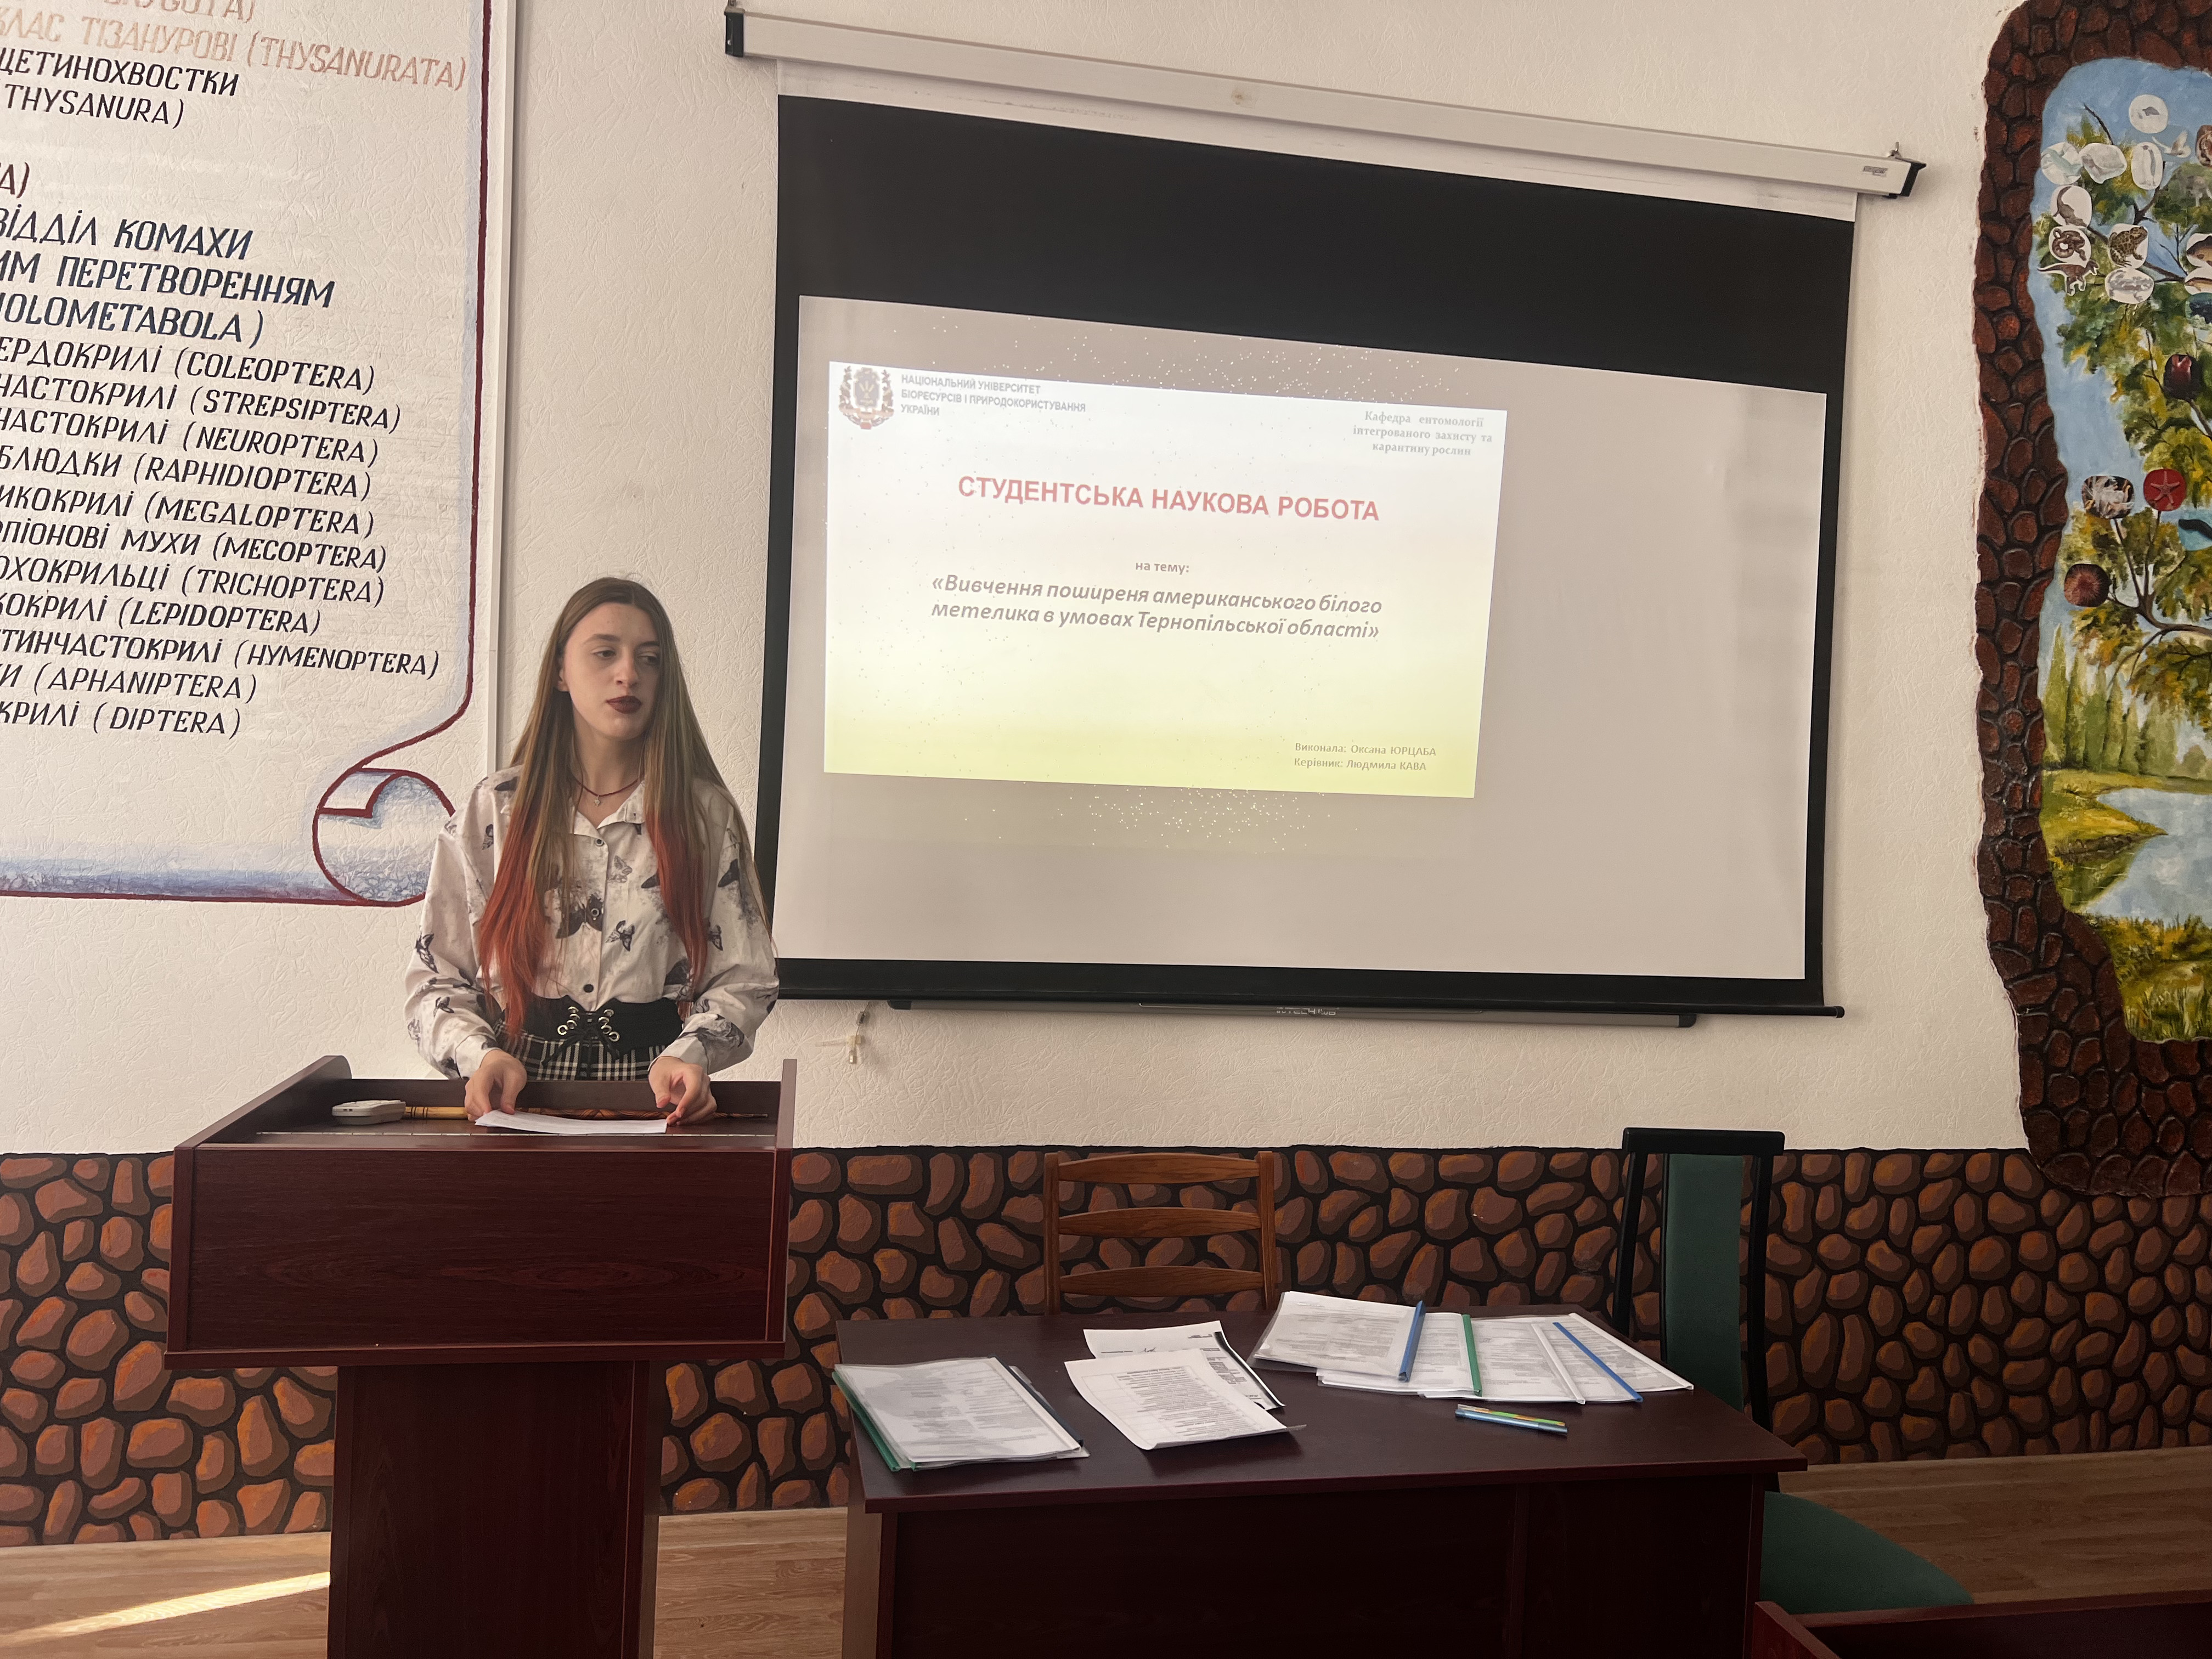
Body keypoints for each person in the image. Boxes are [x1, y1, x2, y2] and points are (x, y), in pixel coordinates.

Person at [404, 576, 777, 1122]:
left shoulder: (703, 817)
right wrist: (478, 1056)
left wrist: (691, 1053)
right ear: (560, 671)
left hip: (655, 1100)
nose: (629, 674)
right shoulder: (497, 810)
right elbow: (436, 974)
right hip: (518, 1096)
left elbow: (745, 976)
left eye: (650, 659)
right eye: (605, 653)